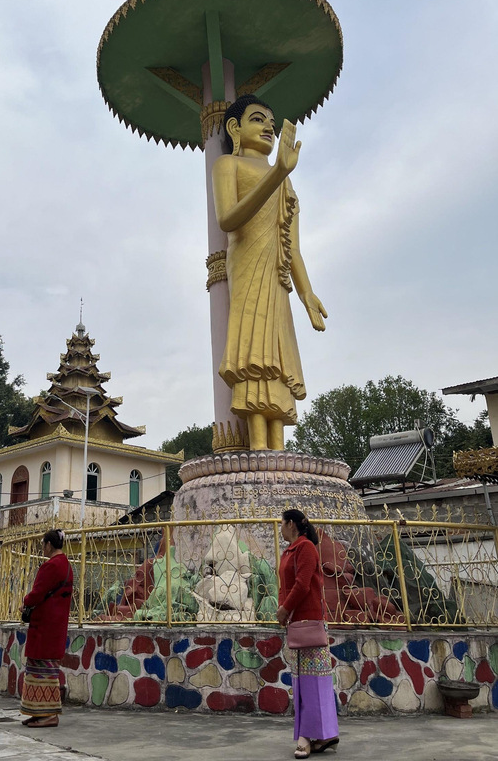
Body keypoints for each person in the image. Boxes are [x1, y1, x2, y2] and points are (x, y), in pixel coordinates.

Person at [213, 96, 327, 450]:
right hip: (248, 266)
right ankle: (258, 446)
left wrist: (306, 293)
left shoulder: (285, 181)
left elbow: (292, 247)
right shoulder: (228, 164)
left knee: (277, 354)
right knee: (253, 349)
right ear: (235, 128)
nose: (268, 128)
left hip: (277, 278)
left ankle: (278, 448)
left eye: (271, 124)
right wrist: (277, 172)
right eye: (258, 119)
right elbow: (227, 219)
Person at [276, 509, 339, 759]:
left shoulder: (305, 548)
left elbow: (302, 584)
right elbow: (286, 585)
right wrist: (284, 610)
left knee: (313, 681)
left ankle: (307, 737)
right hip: (297, 622)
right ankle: (323, 734)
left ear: (291, 524)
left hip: (308, 621)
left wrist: (284, 609)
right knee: (305, 681)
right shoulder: (290, 551)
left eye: (282, 523)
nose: (280, 528)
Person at [20, 529, 73, 728]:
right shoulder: (66, 565)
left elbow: (37, 593)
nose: (42, 548)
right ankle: (38, 712)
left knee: (42, 669)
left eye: (43, 544)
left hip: (45, 626)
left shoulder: (51, 565)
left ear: (49, 545)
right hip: (55, 625)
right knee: (45, 668)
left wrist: (25, 601)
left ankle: (49, 714)